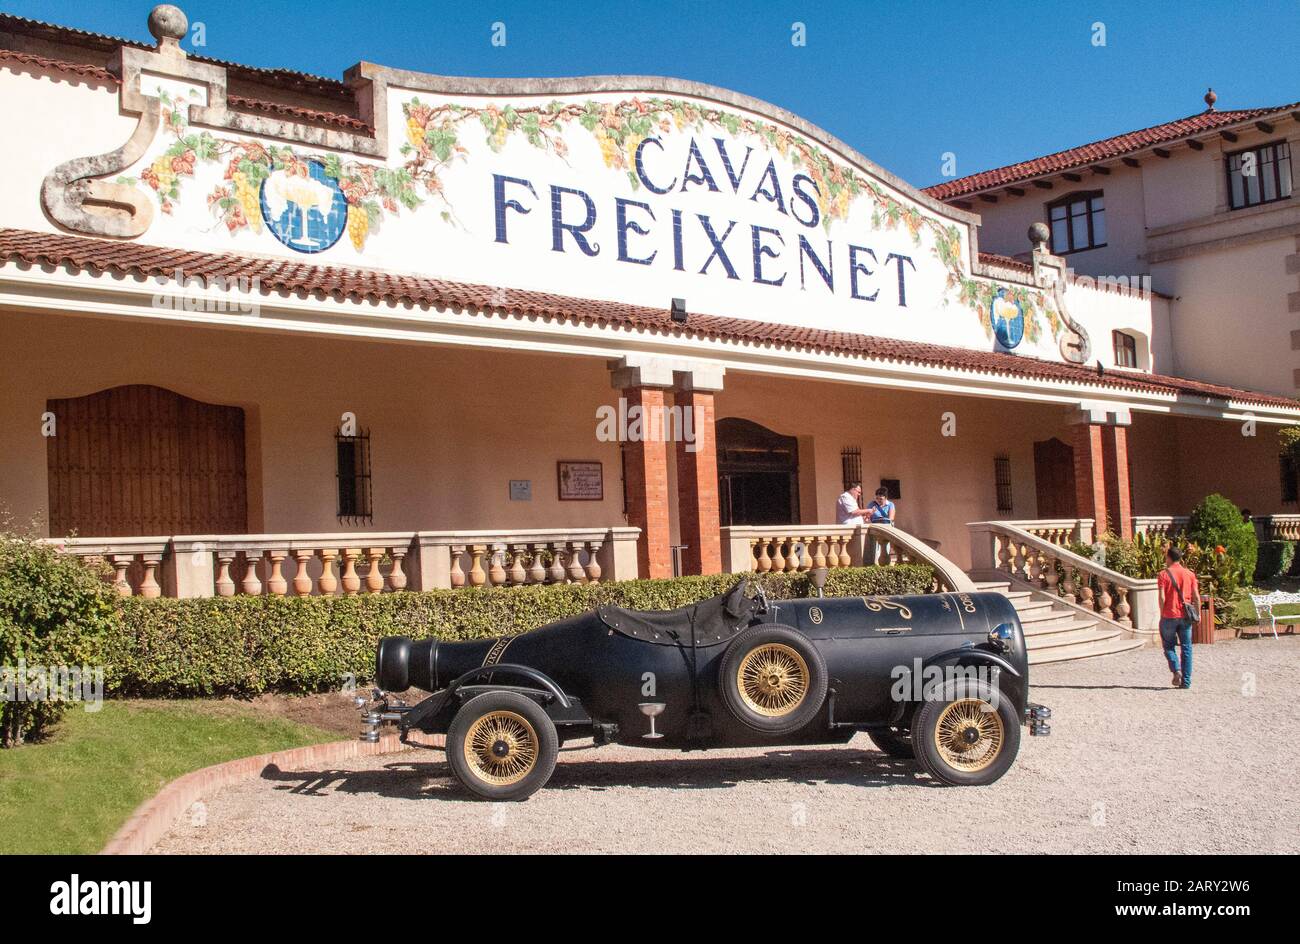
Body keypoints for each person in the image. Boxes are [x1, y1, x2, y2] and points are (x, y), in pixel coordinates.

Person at [1157, 547, 1200, 690]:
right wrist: (1198, 614)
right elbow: (1196, 597)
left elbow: (1162, 597)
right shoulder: (1190, 574)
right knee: (1187, 648)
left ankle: (1176, 670)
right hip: (1185, 616)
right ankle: (1186, 682)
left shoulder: (1163, 574)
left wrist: (1162, 613)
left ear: (1169, 557)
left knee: (1168, 646)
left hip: (1169, 615)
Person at [868, 487, 896, 564]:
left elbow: (891, 518)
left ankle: (884, 564)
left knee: (884, 547)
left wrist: (884, 518)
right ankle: (875, 563)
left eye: (881, 499)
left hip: (885, 528)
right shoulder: (872, 504)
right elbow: (867, 516)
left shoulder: (890, 504)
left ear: (885, 498)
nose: (879, 501)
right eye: (877, 498)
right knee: (875, 549)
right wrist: (870, 513)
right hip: (875, 528)